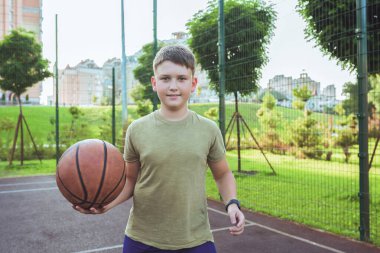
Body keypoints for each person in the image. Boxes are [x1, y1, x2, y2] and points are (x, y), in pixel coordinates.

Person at [74, 45, 245, 253]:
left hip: (195, 240)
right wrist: (107, 204)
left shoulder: (208, 130)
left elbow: (223, 173)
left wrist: (232, 203)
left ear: (193, 84)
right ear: (155, 83)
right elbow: (130, 180)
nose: (173, 86)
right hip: (141, 240)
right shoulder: (137, 129)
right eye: (165, 79)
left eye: (181, 78)